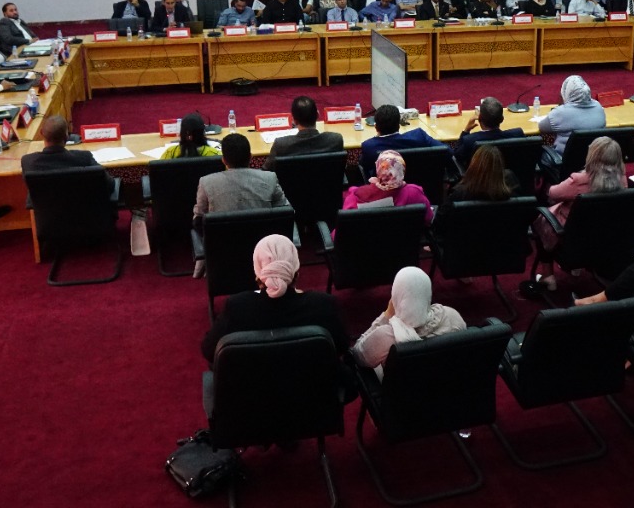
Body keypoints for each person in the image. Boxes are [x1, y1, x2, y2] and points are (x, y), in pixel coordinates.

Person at [199, 234, 349, 419]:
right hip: (312, 410)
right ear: (296, 269)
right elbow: (342, 347)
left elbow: (208, 350)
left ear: (257, 271)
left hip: (249, 411)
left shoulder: (236, 307)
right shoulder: (324, 305)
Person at [532, 136, 626, 290]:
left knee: (541, 219)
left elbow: (552, 193)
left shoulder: (579, 180)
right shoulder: (622, 180)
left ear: (591, 156)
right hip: (605, 237)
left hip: (572, 238)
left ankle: (548, 277)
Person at [192, 133, 289, 268]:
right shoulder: (270, 178)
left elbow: (198, 219)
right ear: (250, 157)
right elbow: (286, 213)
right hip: (264, 255)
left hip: (223, 255)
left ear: (224, 160)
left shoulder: (206, 182)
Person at [351, 266, 465, 377]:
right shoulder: (452, 316)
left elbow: (357, 354)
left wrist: (386, 315)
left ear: (395, 296)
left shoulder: (386, 336)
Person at [358, 104, 446, 178]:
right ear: (399, 125)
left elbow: (365, 168)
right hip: (423, 186)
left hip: (385, 190)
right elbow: (446, 150)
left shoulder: (369, 146)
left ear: (376, 127)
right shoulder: (419, 136)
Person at [343, 150, 432, 221]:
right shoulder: (415, 193)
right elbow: (428, 219)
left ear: (378, 168)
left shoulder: (355, 196)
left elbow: (344, 229)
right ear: (402, 170)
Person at [262, 96, 344, 170]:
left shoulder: (281, 145)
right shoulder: (335, 140)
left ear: (294, 121)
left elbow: (266, 170)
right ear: (317, 115)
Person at [537, 74, 606, 156]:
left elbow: (542, 127)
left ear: (566, 92)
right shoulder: (599, 107)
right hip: (593, 158)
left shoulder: (560, 112)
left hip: (563, 158)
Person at [454, 96, 525, 168]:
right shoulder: (517, 134)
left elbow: (457, 156)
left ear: (479, 119)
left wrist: (466, 131)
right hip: (508, 173)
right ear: (502, 119)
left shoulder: (469, 140)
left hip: (479, 175)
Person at [21, 115, 101, 171]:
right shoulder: (84, 158)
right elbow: (105, 180)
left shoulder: (27, 161)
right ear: (67, 137)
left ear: (41, 133)